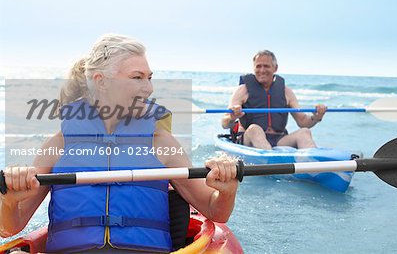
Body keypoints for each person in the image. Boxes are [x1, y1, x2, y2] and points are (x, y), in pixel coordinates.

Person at [0, 34, 239, 253]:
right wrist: (10, 199)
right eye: (137, 78)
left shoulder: (161, 141)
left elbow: (216, 210)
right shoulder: (59, 144)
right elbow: (10, 227)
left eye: (149, 78)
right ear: (101, 81)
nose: (149, 88)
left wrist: (227, 189)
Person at [221, 50, 327, 150]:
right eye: (258, 66)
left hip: (279, 140)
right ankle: (271, 164)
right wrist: (231, 117)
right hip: (249, 138)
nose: (262, 70)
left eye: (266, 66)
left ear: (275, 68)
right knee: (255, 129)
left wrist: (316, 117)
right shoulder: (242, 90)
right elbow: (224, 123)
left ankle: (314, 166)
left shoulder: (287, 92)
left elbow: (303, 122)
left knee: (304, 132)